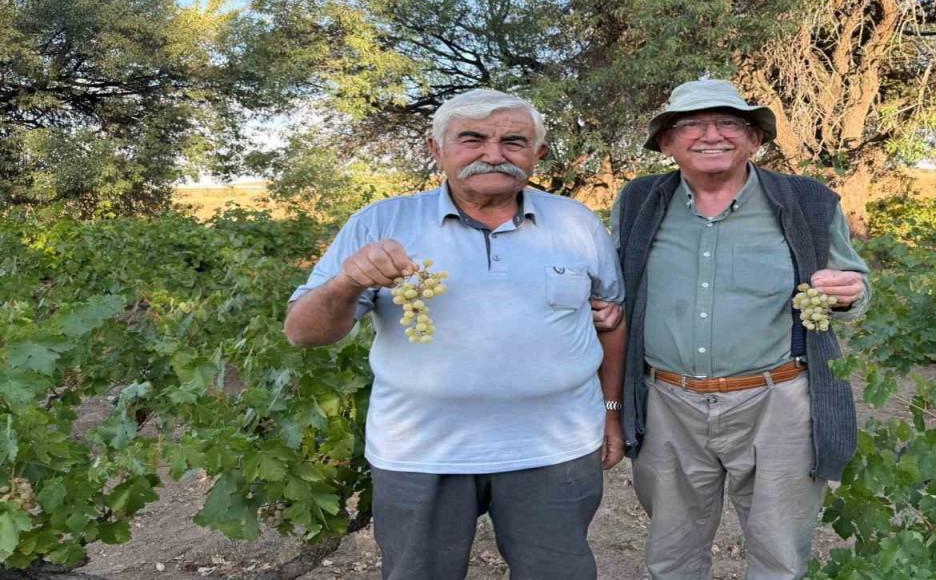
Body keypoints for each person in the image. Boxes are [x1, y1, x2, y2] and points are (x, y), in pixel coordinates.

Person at [283, 89, 625, 580]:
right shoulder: (381, 222)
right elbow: (302, 332)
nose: (494, 154)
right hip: (420, 452)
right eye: (472, 139)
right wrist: (347, 281)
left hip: (557, 448)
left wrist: (610, 411)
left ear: (538, 153)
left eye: (513, 141)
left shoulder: (577, 222)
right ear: (436, 149)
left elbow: (612, 318)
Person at [596, 79, 870, 580]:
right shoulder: (638, 200)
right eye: (691, 125)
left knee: (779, 556)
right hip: (667, 403)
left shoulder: (807, 201)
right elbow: (616, 286)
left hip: (777, 403)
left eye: (728, 123)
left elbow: (855, 283)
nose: (711, 135)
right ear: (666, 142)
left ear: (754, 139)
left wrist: (849, 293)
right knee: (671, 555)